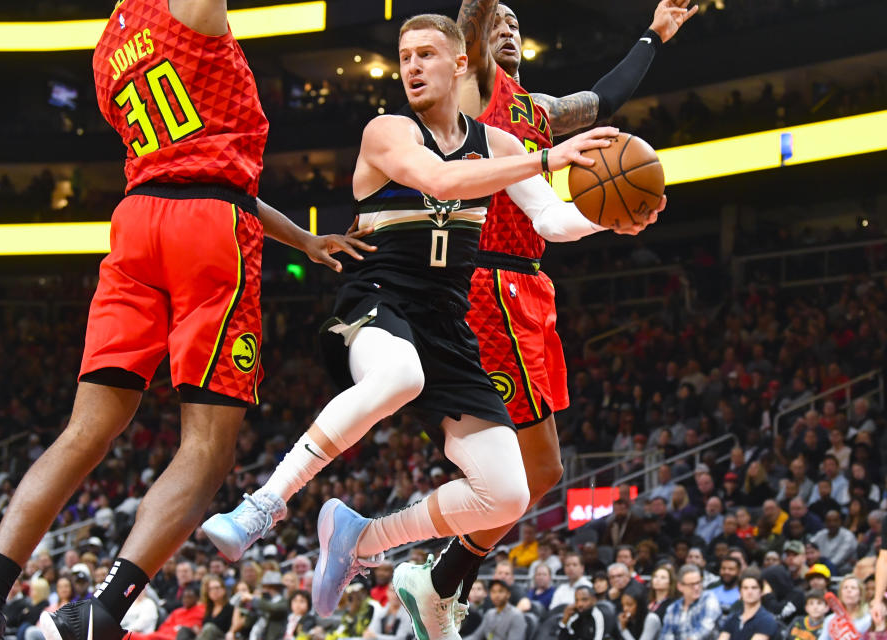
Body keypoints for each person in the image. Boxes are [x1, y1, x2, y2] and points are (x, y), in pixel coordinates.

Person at [0, 0, 375, 638]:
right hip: (208, 233)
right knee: (208, 447)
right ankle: (101, 611)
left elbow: (195, 166)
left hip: (139, 221)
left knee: (85, 430)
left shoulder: (109, 44)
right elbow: (215, 182)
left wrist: (301, 239)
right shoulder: (190, 11)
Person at [204, 12, 634, 635]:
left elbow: (552, 222)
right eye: (405, 55)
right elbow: (439, 178)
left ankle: (363, 539)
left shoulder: (498, 145)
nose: (411, 66)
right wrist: (546, 157)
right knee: (399, 375)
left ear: (461, 64)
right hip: (378, 300)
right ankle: (264, 504)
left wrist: (612, 216)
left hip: (447, 322)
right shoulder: (387, 131)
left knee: (508, 492)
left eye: (427, 54)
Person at [437, 0, 690, 617]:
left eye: (516, 24)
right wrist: (483, 11)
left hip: (529, 285)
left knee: (541, 474)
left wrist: (654, 35)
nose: (509, 29)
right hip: (484, 283)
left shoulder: (539, 111)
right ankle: (437, 578)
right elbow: (475, 18)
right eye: (499, 21)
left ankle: (445, 575)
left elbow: (604, 102)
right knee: (528, 468)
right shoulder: (472, 89)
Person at [658, 564, 721, 640]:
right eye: (692, 584)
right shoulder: (672, 608)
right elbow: (666, 635)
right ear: (680, 586)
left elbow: (706, 627)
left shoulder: (709, 598)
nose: (696, 587)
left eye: (698, 583)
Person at [717, 570, 778, 640]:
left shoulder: (767, 620)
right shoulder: (733, 618)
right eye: (745, 588)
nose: (749, 592)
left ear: (761, 591)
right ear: (740, 592)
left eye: (754, 588)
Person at [818, 575, 871, 639]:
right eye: (845, 588)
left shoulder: (868, 619)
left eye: (853, 588)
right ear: (840, 594)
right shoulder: (830, 619)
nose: (848, 590)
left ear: (860, 595)